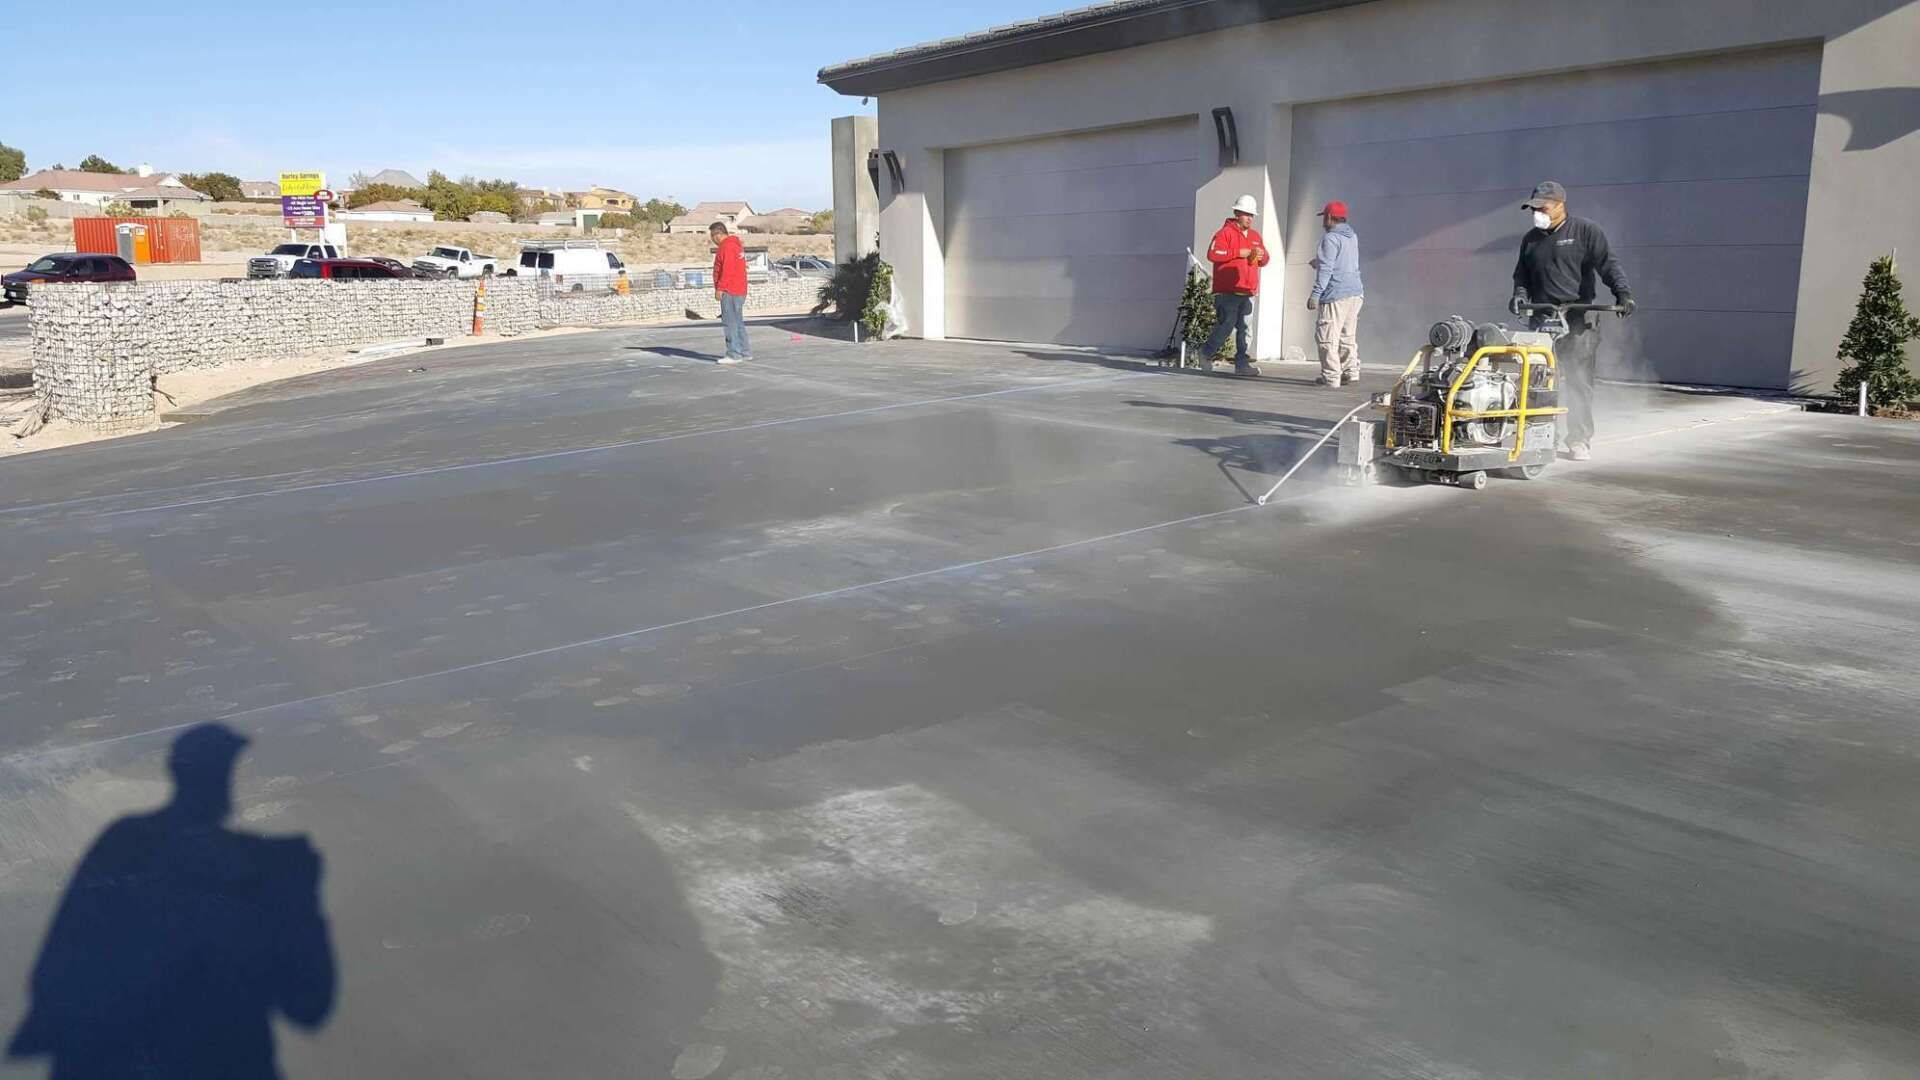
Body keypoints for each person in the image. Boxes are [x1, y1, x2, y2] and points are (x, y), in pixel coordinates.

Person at [9, 724, 335, 1078]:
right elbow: (308, 1007)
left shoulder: (122, 840)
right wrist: (303, 908)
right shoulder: (272, 866)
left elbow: (57, 966)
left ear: (177, 772)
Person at [1509, 180, 1634, 461]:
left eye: (1543, 207)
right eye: (1533, 208)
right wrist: (1518, 294)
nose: (1536, 212)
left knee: (1578, 381)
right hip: (1542, 317)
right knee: (1538, 381)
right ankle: (1540, 436)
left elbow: (1608, 265)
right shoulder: (1531, 239)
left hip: (1578, 318)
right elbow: (1522, 276)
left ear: (1560, 206)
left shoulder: (1585, 231)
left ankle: (1578, 439)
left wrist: (1623, 293)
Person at [1201, 194, 1269, 376]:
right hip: (1228, 291)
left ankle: (1242, 365)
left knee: (1246, 330)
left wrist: (1263, 257)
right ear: (1237, 213)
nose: (1250, 218)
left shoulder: (1255, 236)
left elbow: (1265, 259)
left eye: (1252, 215)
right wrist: (1239, 252)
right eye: (1247, 214)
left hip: (1247, 291)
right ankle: (1205, 353)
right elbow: (1213, 254)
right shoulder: (1224, 233)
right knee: (1226, 325)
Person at [1306, 199, 1364, 387]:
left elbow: (1326, 270)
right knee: (1347, 336)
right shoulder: (1352, 236)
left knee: (1327, 337)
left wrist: (1315, 294)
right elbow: (1341, 262)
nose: (1323, 222)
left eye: (1324, 218)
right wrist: (1320, 261)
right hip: (1355, 293)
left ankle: (1331, 377)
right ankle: (1351, 372)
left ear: (1330, 217)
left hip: (1335, 294)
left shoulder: (1330, 238)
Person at [710, 221, 751, 363]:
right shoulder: (736, 245)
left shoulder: (726, 247)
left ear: (718, 235)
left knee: (730, 322)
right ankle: (744, 351)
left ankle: (734, 353)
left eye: (712, 236)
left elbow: (726, 270)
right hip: (739, 289)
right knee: (738, 321)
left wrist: (720, 288)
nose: (712, 240)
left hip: (731, 290)